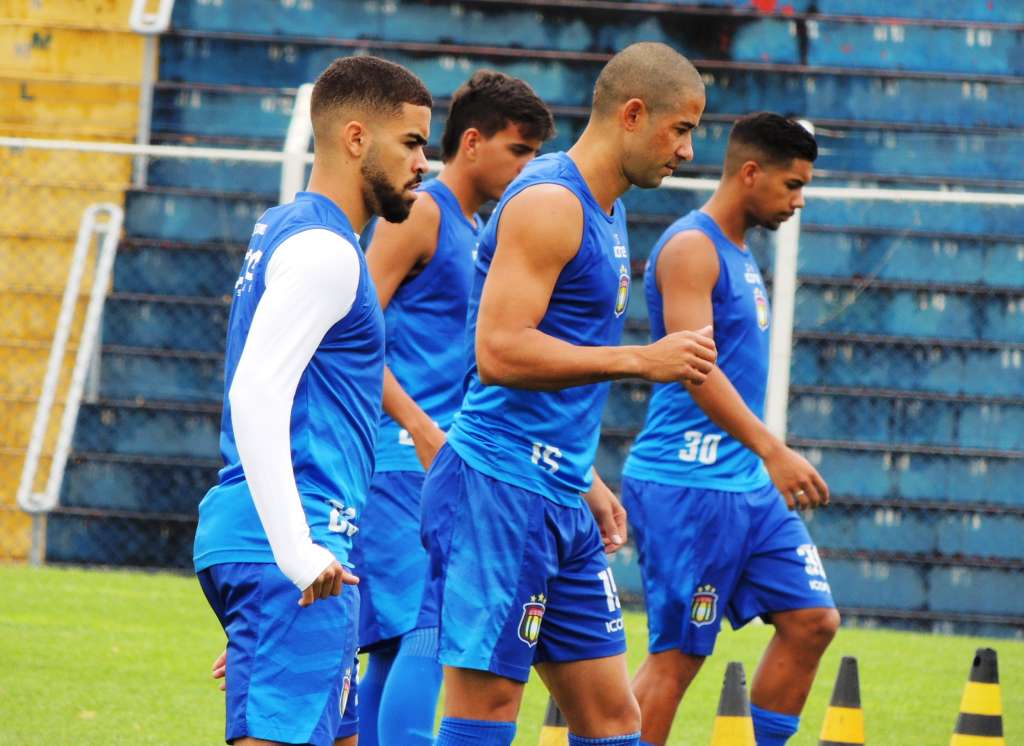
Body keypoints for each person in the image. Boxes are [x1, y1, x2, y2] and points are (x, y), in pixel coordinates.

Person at [418, 42, 716, 746]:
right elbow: (499, 351)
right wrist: (642, 359)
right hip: (497, 486)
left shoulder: (607, 211)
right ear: (634, 114)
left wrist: (582, 476)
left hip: (555, 491)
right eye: (682, 129)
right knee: (487, 707)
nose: (688, 152)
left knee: (613, 717)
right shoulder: (551, 202)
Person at [192, 55, 431, 746]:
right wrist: (293, 555)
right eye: (411, 143)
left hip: (297, 554)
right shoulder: (326, 250)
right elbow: (256, 390)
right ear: (357, 138)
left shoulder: (287, 226)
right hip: (294, 551)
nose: (424, 163)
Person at [621, 112, 839, 746]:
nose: (798, 201)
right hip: (687, 482)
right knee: (679, 657)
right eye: (792, 185)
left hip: (742, 484)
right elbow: (694, 368)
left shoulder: (739, 252)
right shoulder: (692, 247)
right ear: (750, 173)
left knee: (812, 621)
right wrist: (772, 449)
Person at [352, 70, 554, 746]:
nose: (528, 167)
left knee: (399, 640)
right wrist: (415, 424)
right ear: (473, 141)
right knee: (425, 630)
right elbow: (348, 333)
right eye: (518, 150)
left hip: (444, 459)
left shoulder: (480, 228)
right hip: (401, 457)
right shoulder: (424, 213)